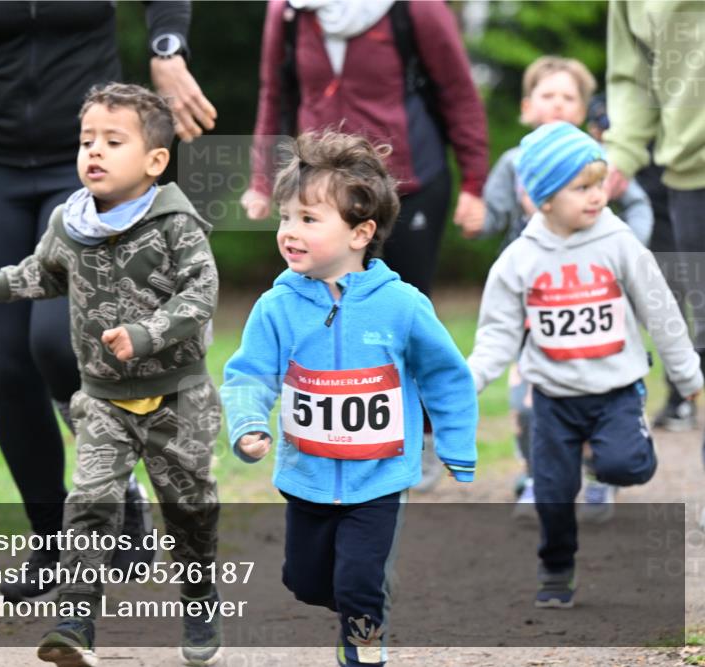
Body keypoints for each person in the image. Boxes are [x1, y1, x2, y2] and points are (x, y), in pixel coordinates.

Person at [0, 2, 218, 603]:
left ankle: (117, 482)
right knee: (6, 365)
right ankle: (51, 539)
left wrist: (167, 48)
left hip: (86, 159)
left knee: (56, 344)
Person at [0, 83, 222, 667]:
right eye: (86, 140)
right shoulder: (69, 221)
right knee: (91, 503)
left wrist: (145, 334)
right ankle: (75, 622)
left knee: (189, 506)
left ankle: (200, 598)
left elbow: (200, 296)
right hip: (101, 398)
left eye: (113, 141)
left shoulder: (176, 224)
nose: (94, 151)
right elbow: (42, 272)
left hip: (177, 398)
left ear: (155, 161)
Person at [221, 130, 478, 667]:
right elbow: (248, 374)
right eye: (286, 217)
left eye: (309, 219)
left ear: (361, 232)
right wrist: (248, 424)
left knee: (359, 580)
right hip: (307, 475)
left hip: (378, 478)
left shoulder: (402, 305)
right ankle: (362, 590)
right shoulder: (276, 307)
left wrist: (456, 444)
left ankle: (364, 642)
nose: (290, 231)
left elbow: (444, 376)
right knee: (306, 581)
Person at [239, 0, 488, 492]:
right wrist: (263, 180)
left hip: (411, 183)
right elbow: (275, 94)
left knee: (405, 312)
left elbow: (458, 91)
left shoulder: (415, 9)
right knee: (322, 306)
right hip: (321, 196)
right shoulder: (289, 11)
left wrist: (475, 183)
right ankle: (337, 436)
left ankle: (423, 436)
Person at [468, 122, 702, 608]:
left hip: (617, 392)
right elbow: (496, 335)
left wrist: (690, 380)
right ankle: (556, 569)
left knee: (624, 465)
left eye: (600, 184)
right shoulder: (518, 261)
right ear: (544, 198)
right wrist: (469, 381)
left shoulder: (620, 243)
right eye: (582, 188)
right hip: (553, 400)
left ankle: (619, 452)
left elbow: (662, 314)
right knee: (552, 493)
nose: (597, 196)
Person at [478, 56, 654, 522]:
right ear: (527, 106)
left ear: (582, 109)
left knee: (594, 393)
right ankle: (538, 477)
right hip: (530, 298)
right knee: (527, 399)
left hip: (588, 297)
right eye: (547, 95)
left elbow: (638, 205)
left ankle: (597, 473)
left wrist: (629, 250)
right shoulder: (513, 163)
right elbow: (493, 216)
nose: (557, 104)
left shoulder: (595, 163)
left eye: (568, 97)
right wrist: (476, 218)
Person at [587, 93, 697, 432]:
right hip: (633, 228)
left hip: (670, 220)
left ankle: (682, 398)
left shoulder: (675, 106)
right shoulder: (618, 102)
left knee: (671, 308)